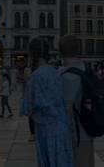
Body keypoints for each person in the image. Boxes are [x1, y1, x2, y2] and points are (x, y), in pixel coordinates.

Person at [20, 37, 73, 167]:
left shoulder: (35, 76)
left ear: (33, 54)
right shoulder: (57, 72)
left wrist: (26, 82)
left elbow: (26, 108)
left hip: (46, 132)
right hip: (63, 128)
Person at [59, 35, 94, 167]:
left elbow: (66, 108)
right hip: (88, 130)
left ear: (60, 52)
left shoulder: (63, 75)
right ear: (78, 49)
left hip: (73, 133)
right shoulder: (87, 70)